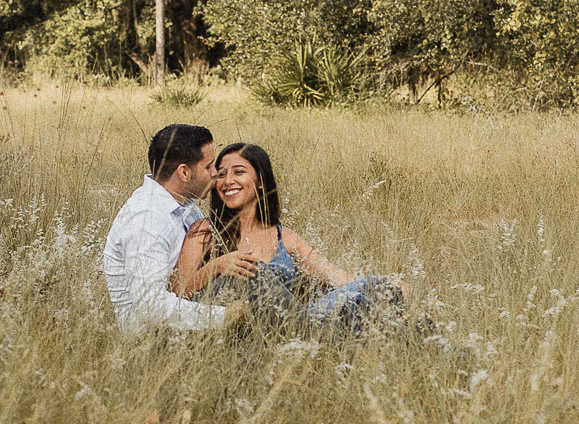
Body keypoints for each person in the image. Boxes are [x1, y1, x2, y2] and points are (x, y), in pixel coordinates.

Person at [173, 140, 402, 333]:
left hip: (286, 324)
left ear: (261, 181)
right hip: (233, 326)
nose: (227, 181)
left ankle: (421, 333)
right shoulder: (204, 230)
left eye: (239, 172)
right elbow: (177, 292)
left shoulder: (285, 237)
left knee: (368, 293)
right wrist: (218, 266)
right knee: (257, 272)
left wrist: (385, 285)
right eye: (221, 175)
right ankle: (306, 327)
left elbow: (335, 277)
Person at [101, 123, 251, 334]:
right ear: (184, 172)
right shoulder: (147, 220)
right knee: (258, 287)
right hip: (154, 340)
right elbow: (150, 306)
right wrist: (225, 316)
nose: (215, 173)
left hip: (190, 315)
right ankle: (308, 327)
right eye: (208, 167)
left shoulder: (183, 205)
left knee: (257, 272)